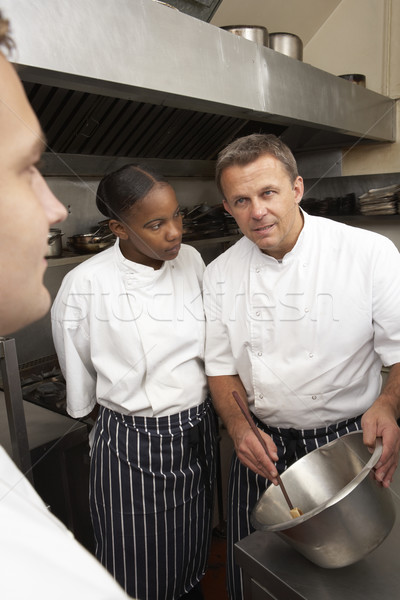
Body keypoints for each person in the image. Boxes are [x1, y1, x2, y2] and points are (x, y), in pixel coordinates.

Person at [203, 133, 400, 599]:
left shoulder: (368, 253)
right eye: (241, 200)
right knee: (255, 575)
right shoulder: (219, 273)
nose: (257, 212)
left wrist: (389, 404)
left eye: (268, 193)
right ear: (227, 207)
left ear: (296, 188)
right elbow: (219, 369)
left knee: (357, 580)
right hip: (262, 451)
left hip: (347, 446)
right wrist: (237, 427)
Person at [0, 10, 132, 599]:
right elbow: (72, 355)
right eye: (28, 167)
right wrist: (84, 407)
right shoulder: (83, 281)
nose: (56, 210)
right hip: (125, 431)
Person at [51, 164, 217, 600]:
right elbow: (79, 376)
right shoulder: (85, 284)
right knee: (139, 573)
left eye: (177, 216)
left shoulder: (192, 261)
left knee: (190, 557)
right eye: (156, 224)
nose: (175, 233)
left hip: (197, 433)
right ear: (118, 228)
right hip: (134, 448)